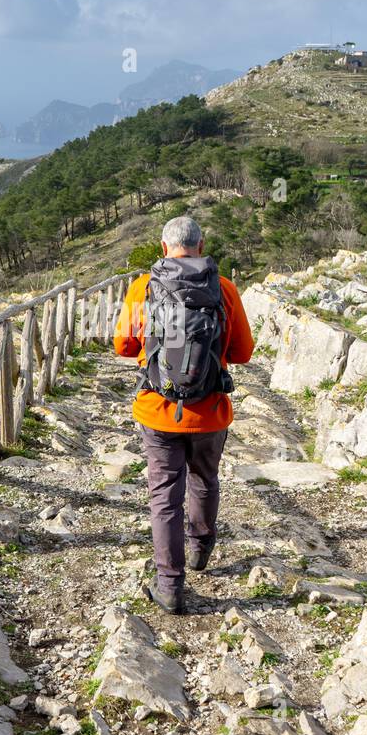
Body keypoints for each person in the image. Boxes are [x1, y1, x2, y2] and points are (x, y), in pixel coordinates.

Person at [113, 216, 254, 614]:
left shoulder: (143, 287)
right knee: (205, 479)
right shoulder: (223, 288)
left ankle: (170, 586)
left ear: (163, 248)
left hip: (158, 412)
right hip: (210, 411)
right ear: (201, 244)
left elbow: (123, 346)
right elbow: (243, 353)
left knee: (164, 497)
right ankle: (199, 549)